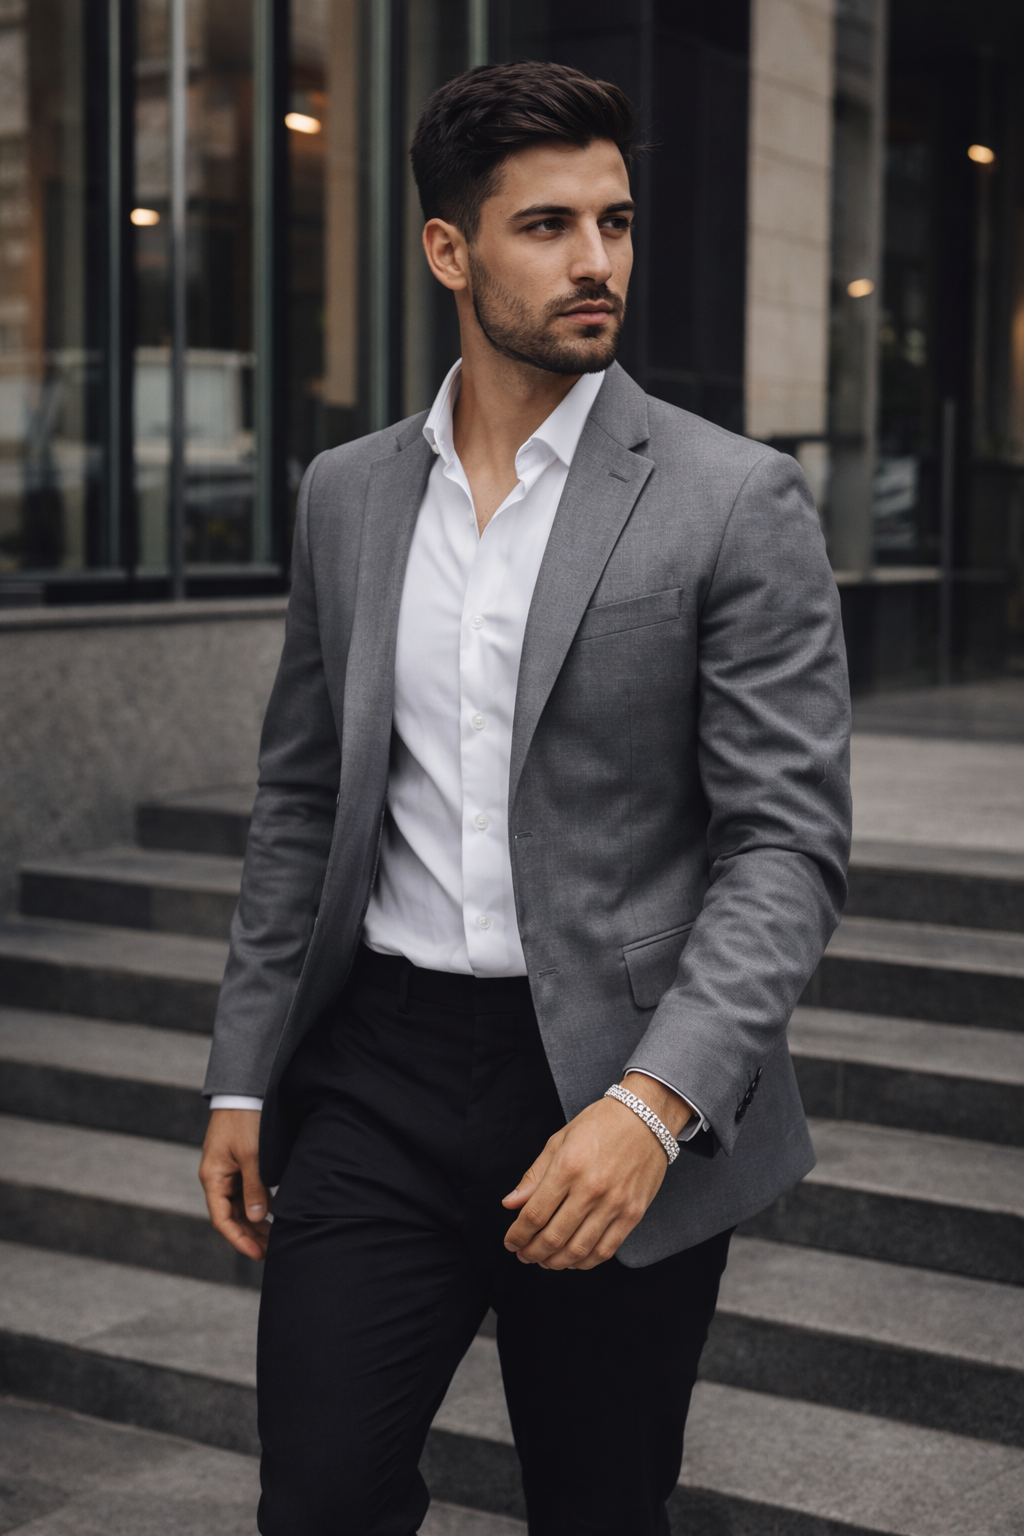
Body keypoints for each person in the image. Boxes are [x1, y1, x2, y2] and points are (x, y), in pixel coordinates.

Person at [199, 60, 851, 1536]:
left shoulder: (730, 498)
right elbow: (302, 799)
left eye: (614, 222)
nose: (596, 262)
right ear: (449, 250)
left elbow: (787, 846)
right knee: (315, 1499)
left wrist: (655, 1102)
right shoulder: (347, 496)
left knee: (599, 1505)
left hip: (615, 1080)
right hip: (380, 1067)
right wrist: (246, 1068)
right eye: (548, 225)